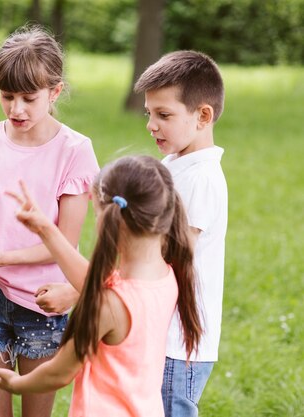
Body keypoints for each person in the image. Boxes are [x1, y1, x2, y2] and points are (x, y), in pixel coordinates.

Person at [0, 25, 99, 417]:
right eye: (7, 96)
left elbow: (62, 242)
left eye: (29, 99)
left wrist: (0, 258)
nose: (17, 109)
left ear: (55, 92)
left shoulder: (74, 151)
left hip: (44, 299)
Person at [0, 155, 202, 417]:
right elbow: (97, 283)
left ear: (108, 218)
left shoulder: (109, 305)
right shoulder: (165, 275)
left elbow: (59, 372)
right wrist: (46, 229)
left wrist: (17, 383)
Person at [134, 50, 228, 417]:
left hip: (180, 344)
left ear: (203, 116)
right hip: (160, 333)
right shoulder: (175, 165)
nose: (151, 125)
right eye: (149, 114)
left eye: (164, 115)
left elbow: (170, 252)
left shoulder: (201, 178)